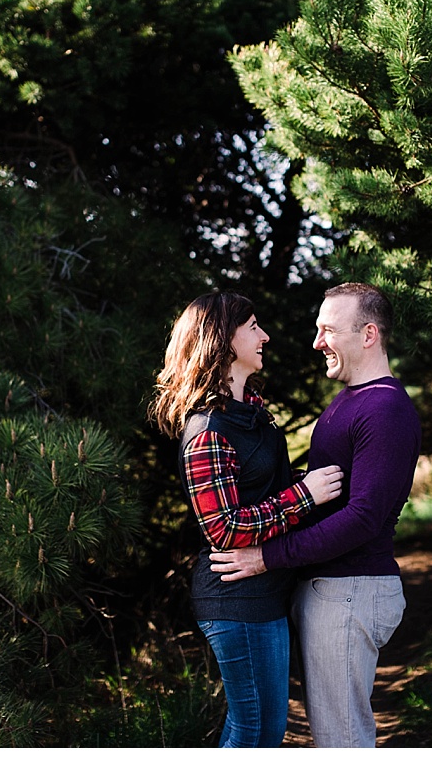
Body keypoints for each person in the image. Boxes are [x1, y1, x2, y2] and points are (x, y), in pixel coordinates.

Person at [209, 282, 422, 748]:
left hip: (349, 592)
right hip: (331, 592)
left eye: (328, 330)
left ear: (368, 335)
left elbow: (363, 517)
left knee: (340, 741)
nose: (316, 342)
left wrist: (267, 556)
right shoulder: (350, 400)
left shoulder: (384, 408)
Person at [147, 291, 344, 748]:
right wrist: (305, 494)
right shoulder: (208, 429)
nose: (265, 336)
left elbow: (263, 487)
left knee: (256, 728)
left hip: (263, 592)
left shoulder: (251, 413)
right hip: (236, 599)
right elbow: (224, 528)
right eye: (253, 326)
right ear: (222, 338)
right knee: (257, 731)